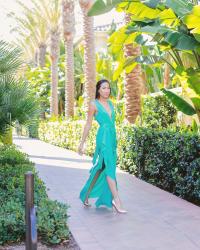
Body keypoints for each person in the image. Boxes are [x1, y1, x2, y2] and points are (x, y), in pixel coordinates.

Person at [78, 79, 127, 214]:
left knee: (101, 168)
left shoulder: (111, 104)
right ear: (98, 90)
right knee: (110, 167)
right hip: (103, 138)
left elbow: (112, 123)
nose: (107, 90)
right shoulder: (94, 104)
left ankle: (85, 195)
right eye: (104, 88)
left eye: (108, 88)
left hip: (111, 138)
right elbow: (88, 124)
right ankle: (117, 200)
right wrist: (82, 143)